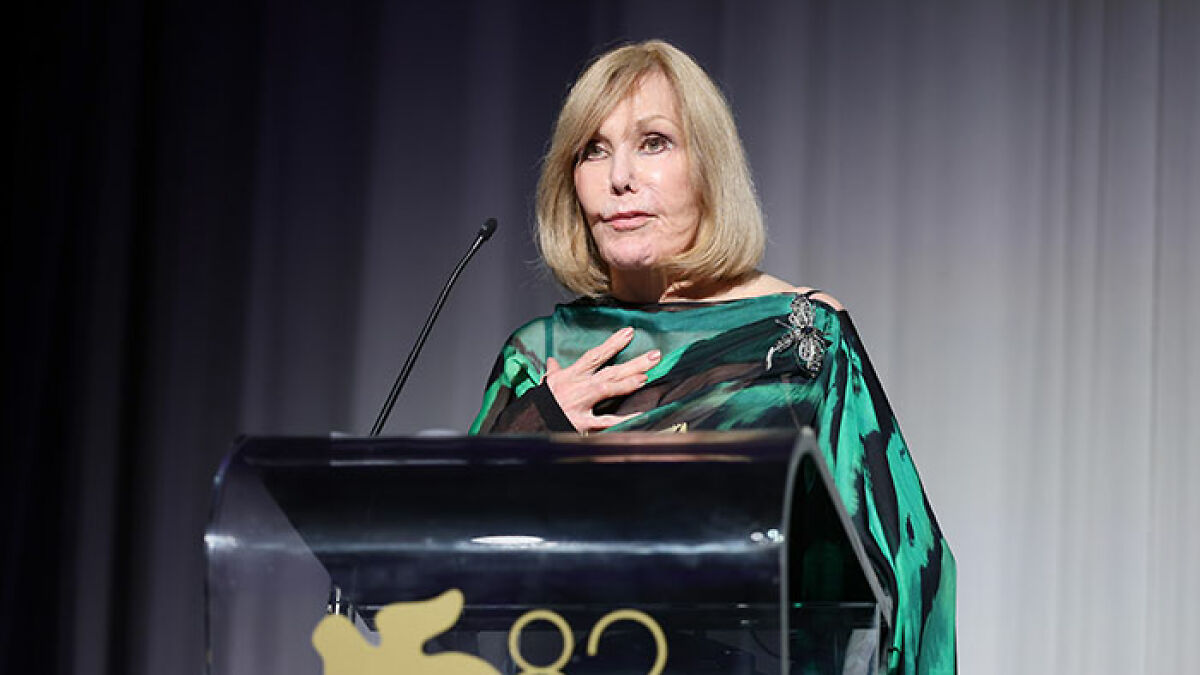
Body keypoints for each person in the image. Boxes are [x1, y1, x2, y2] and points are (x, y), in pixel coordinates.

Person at [468, 40, 955, 674]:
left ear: (710, 167)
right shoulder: (541, 357)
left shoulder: (801, 339)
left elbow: (907, 571)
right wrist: (538, 426)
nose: (620, 178)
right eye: (594, 149)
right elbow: (453, 574)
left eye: (654, 142)